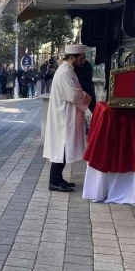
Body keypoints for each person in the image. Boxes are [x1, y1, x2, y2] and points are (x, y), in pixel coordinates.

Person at [43, 44, 91, 192]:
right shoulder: (65, 72)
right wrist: (86, 98)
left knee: (63, 149)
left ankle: (58, 179)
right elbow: (72, 94)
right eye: (81, 58)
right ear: (72, 58)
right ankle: (54, 182)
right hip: (63, 118)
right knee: (61, 150)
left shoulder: (68, 70)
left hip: (65, 115)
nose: (83, 61)